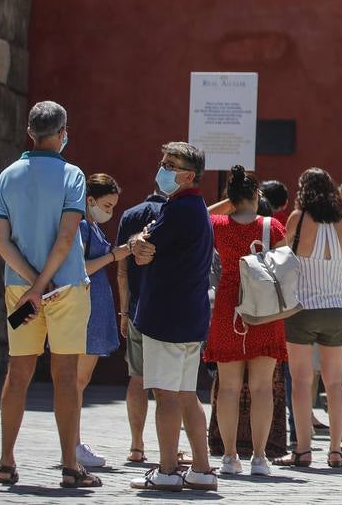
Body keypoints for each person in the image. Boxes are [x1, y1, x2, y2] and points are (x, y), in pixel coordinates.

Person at [0, 101, 99, 489]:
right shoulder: (72, 175)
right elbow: (67, 237)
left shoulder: (6, 177)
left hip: (20, 289)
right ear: (62, 131)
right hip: (64, 285)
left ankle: (6, 462)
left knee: (17, 372)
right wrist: (45, 285)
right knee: (65, 375)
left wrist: (32, 286)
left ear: (30, 132)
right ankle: (71, 466)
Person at [127, 142, 218, 492]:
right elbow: (144, 246)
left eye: (171, 164)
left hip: (166, 316)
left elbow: (144, 249)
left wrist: (139, 244)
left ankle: (166, 471)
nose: (163, 167)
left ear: (188, 174)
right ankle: (202, 469)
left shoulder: (179, 209)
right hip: (189, 316)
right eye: (162, 160)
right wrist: (140, 245)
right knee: (185, 395)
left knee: (165, 396)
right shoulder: (194, 208)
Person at [275, 168, 342, 469]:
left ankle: (303, 450)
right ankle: (336, 450)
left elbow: (280, 253)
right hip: (335, 309)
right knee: (335, 382)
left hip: (301, 308)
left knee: (302, 382)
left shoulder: (298, 219)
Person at [204, 165, 287, 477]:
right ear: (257, 194)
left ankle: (228, 456)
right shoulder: (272, 226)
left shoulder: (219, 225)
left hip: (229, 306)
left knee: (228, 387)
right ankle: (260, 457)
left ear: (231, 197)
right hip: (265, 308)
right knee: (262, 387)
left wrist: (229, 202)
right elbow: (286, 267)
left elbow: (199, 215)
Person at [74, 173, 131, 470]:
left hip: (94, 309)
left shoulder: (91, 225)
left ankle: (72, 442)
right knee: (77, 382)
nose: (109, 211)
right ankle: (71, 444)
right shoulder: (82, 225)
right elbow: (79, 267)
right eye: (106, 205)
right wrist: (113, 256)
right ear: (91, 200)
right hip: (85, 310)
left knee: (79, 382)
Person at [115, 182, 167, 464]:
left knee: (137, 377)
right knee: (167, 384)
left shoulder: (130, 215)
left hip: (137, 309)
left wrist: (123, 312)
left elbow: (122, 271)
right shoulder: (176, 215)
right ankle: (167, 449)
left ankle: (136, 445)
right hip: (169, 312)